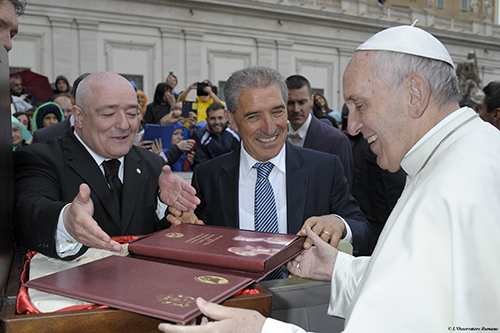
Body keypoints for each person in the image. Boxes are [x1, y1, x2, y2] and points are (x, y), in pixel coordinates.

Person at [158, 25, 500, 333]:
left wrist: (262, 332)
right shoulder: (463, 158)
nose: (351, 126)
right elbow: (421, 288)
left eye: (360, 105)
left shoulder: (451, 188)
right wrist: (339, 268)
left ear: (415, 94)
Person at [168, 66, 372, 257]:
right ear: (231, 120)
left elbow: (363, 232)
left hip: (304, 294)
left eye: (277, 112)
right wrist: (189, 231)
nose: (269, 127)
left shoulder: (325, 169)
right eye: (254, 116)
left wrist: (339, 224)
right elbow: (196, 235)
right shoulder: (208, 176)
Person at [14, 71, 200, 260]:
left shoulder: (153, 164)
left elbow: (149, 230)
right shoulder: (41, 158)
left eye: (132, 113)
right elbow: (29, 212)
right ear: (79, 116)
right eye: (109, 114)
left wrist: (168, 210)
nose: (124, 124)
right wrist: (67, 222)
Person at [286, 75, 354, 186]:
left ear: (311, 100)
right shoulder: (274, 137)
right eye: (290, 103)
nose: (296, 109)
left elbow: (344, 192)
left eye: (302, 102)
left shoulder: (336, 140)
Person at [32, 73, 90, 143]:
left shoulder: (105, 133)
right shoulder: (44, 136)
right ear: (72, 98)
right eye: (86, 96)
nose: (65, 114)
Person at [191, 102, 240, 168]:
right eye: (212, 118)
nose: (217, 122)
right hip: (209, 175)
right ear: (207, 120)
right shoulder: (199, 135)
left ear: (226, 119)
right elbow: (200, 163)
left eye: (220, 118)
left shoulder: (235, 135)